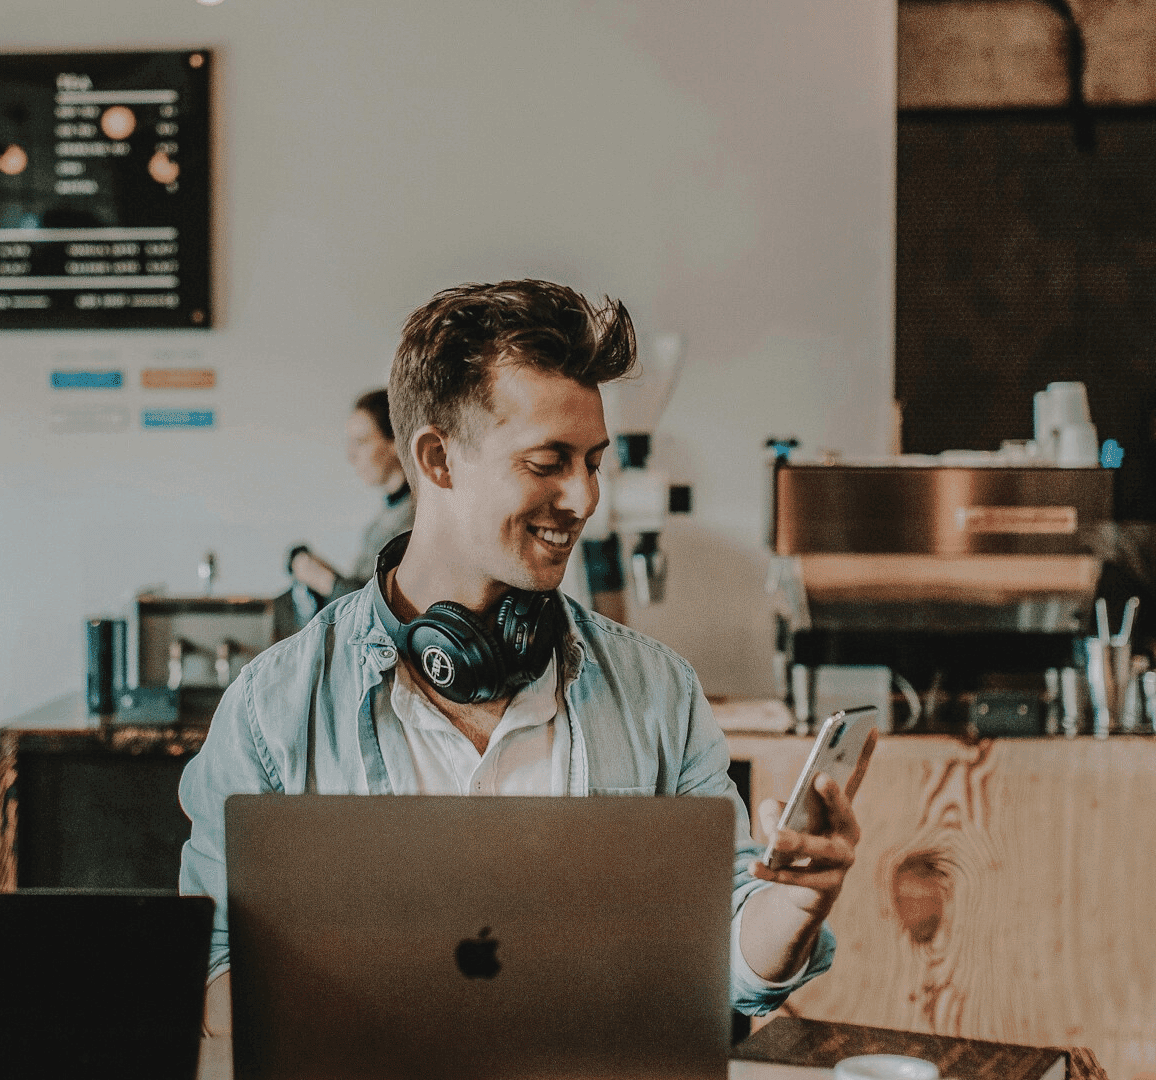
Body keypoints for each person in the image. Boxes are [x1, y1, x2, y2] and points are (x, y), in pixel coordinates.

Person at [179, 280, 872, 1035]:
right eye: (548, 462)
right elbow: (211, 978)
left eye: (594, 462)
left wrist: (793, 905)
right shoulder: (270, 710)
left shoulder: (659, 691)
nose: (584, 498)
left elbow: (722, 963)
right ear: (438, 459)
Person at [287, 390, 415, 604]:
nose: (351, 455)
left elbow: (382, 611)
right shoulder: (383, 519)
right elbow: (363, 588)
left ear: (395, 441)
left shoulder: (417, 519)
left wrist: (323, 579)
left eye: (361, 442)